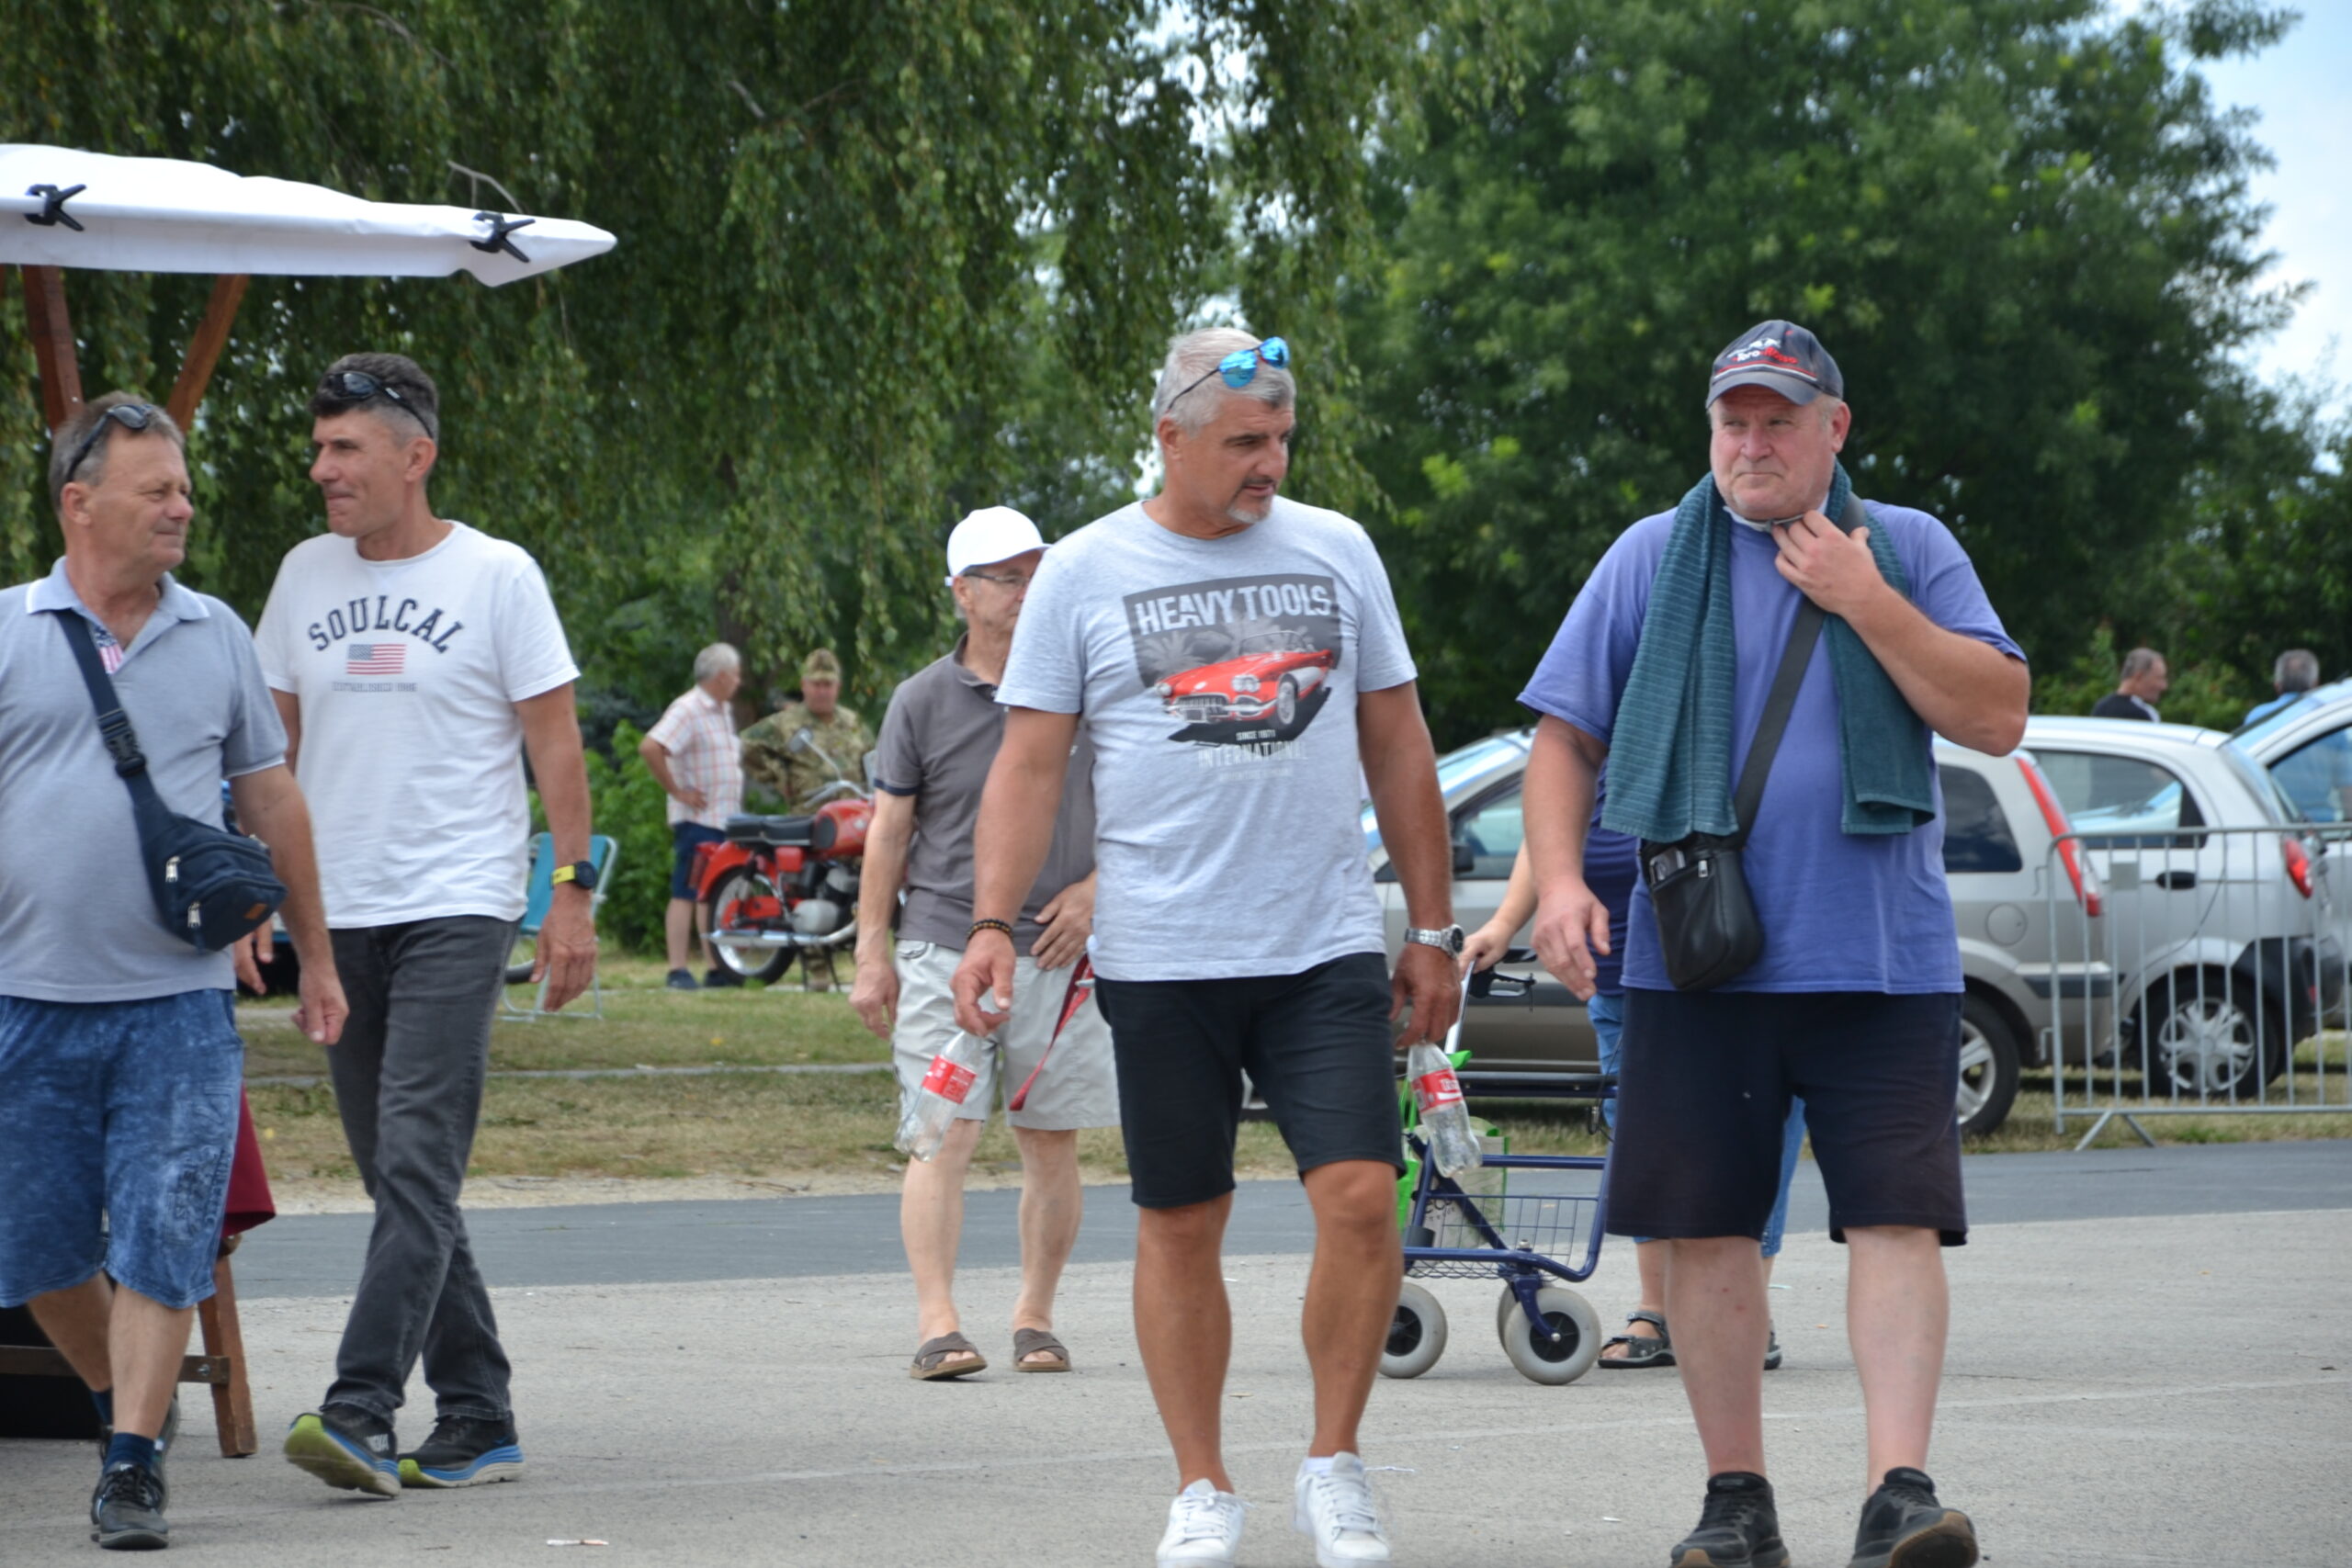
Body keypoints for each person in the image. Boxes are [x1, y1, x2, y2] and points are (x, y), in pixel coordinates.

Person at [1519, 320, 2026, 1568]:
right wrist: (1558, 887)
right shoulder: (1653, 553)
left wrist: (1865, 599)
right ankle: (1736, 1499)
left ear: (1833, 429)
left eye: (1778, 420)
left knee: (1896, 1219)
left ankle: (1899, 1492)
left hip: (1882, 955)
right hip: (1697, 958)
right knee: (1705, 1230)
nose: (1751, 442)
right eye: (1732, 420)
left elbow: (1996, 714)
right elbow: (1563, 738)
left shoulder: (1907, 546)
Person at [951, 328, 1461, 1568]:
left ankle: (1333, 1464)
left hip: (1320, 945)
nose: (1268, 464)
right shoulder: (1084, 569)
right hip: (1163, 954)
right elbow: (1029, 765)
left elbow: (1398, 742)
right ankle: (1202, 1484)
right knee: (1184, 1219)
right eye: (1243, 442)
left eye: (1281, 439)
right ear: (1168, 437)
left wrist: (1432, 929)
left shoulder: (1338, 548)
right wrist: (990, 923)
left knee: (1360, 1198)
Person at [2, 392, 346, 1551]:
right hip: (24, 1003)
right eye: (156, 489)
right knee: (35, 1253)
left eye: (185, 488)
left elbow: (272, 798)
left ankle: (134, 1463)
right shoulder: (7, 631)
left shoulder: (217, 636)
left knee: (164, 1237)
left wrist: (315, 956)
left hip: (178, 1006)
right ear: (79, 502)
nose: (181, 507)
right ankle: (122, 1410)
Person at [255, 353, 598, 1498]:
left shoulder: (497, 575)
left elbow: (555, 743)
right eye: (318, 449)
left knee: (414, 1159)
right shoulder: (302, 575)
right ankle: (479, 1411)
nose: (323, 470)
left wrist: (570, 893)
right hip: (335, 910)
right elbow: (271, 754)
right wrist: (257, 892)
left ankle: (359, 1406)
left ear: (416, 455)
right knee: (399, 1175)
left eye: (345, 448)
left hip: (458, 901)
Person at [851, 505, 1115, 1381]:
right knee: (944, 1133)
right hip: (942, 946)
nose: (1026, 590)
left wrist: (1096, 889)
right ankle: (939, 1324)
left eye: (1037, 573)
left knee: (1050, 1139)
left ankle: (1035, 1316)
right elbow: (889, 832)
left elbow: (1142, 802)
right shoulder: (921, 699)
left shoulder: (1089, 686)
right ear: (962, 592)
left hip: (1059, 950)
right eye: (1007, 577)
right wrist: (871, 953)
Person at [1462, 812, 1805, 1374]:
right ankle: (1658, 1312)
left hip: (1743, 968)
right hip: (1625, 976)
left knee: (1752, 1140)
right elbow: (1548, 832)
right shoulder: (1587, 763)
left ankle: (1746, 1310)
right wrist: (1503, 923)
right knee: (1647, 1144)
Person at [641, 644, 748, 988]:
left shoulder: (722, 710)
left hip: (723, 818)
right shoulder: (688, 708)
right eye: (735, 675)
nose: (739, 681)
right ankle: (677, 969)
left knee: (712, 894)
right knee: (686, 891)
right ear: (721, 676)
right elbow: (651, 746)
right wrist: (677, 791)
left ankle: (716, 967)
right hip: (698, 820)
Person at [742, 648, 876, 809]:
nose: (822, 692)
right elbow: (744, 744)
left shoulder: (854, 723)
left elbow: (874, 762)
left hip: (853, 815)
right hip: (808, 817)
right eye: (816, 685)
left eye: (828, 685)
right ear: (803, 685)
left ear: (838, 687)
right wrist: (779, 776)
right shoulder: (785, 722)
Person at [2245, 649, 2352, 821]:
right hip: (2322, 828)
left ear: (2277, 685)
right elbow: (2348, 790)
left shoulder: (2257, 719)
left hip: (2270, 824)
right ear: (2315, 684)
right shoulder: (2330, 722)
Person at [2090, 647, 2166, 720]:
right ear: (2139, 677)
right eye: (2159, 678)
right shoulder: (2141, 714)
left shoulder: (2101, 708)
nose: (2164, 686)